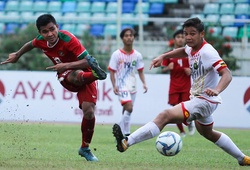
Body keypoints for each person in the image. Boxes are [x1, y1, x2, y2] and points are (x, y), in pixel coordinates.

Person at [112, 18, 250, 166]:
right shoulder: (191, 48)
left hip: (204, 101)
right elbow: (183, 51)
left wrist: (217, 90)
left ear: (202, 34)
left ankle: (126, 141)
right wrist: (164, 56)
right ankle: (243, 158)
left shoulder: (208, 52)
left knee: (165, 116)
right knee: (208, 133)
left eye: (192, 34)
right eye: (186, 34)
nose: (188, 37)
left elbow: (227, 74)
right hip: (201, 100)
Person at [0, 14, 107, 162]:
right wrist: (18, 55)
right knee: (76, 75)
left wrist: (66, 64)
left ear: (57, 27)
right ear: (40, 33)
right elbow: (30, 44)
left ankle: (85, 148)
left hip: (83, 71)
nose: (49, 34)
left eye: (52, 29)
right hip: (68, 75)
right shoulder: (40, 41)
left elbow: (87, 60)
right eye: (45, 31)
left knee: (88, 112)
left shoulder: (69, 39)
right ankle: (96, 75)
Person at [108, 28, 148, 137]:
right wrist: (114, 85)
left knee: (127, 110)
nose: (129, 37)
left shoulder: (137, 55)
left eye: (131, 35)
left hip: (133, 86)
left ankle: (123, 132)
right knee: (129, 107)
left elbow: (140, 71)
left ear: (134, 37)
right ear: (122, 38)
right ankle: (124, 131)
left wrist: (144, 83)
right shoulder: (116, 54)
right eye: (126, 35)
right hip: (121, 85)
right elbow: (112, 71)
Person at [161, 29, 195, 137]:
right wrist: (167, 68)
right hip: (174, 86)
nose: (180, 39)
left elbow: (196, 68)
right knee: (175, 110)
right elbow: (162, 68)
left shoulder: (190, 54)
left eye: (182, 37)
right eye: (178, 37)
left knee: (185, 109)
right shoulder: (169, 54)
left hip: (186, 87)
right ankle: (182, 131)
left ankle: (188, 122)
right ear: (174, 39)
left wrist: (191, 71)